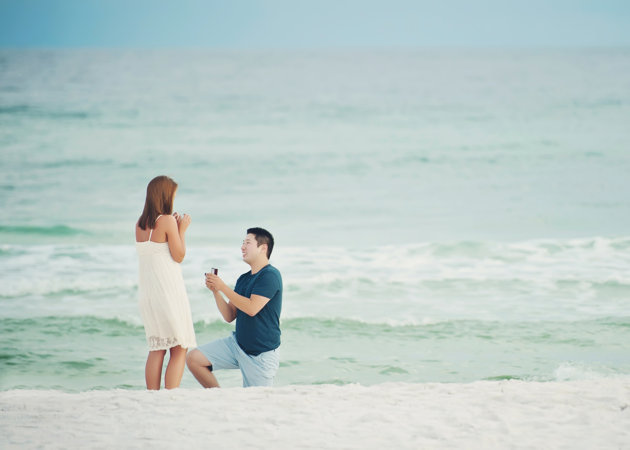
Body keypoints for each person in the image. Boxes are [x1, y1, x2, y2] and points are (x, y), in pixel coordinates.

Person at [187, 227, 282, 388]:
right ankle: (219, 397)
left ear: (263, 248)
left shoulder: (270, 275)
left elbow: (252, 308)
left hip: (260, 355)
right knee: (194, 358)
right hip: (237, 344)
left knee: (259, 405)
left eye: (247, 243)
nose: (242, 247)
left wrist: (223, 287)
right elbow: (229, 315)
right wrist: (216, 291)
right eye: (242, 243)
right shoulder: (244, 279)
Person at [135, 175, 196, 390]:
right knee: (179, 347)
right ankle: (171, 396)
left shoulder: (140, 225)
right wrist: (182, 229)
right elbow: (178, 255)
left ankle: (152, 395)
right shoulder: (168, 221)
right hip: (168, 291)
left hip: (149, 293)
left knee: (157, 347)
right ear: (165, 196)